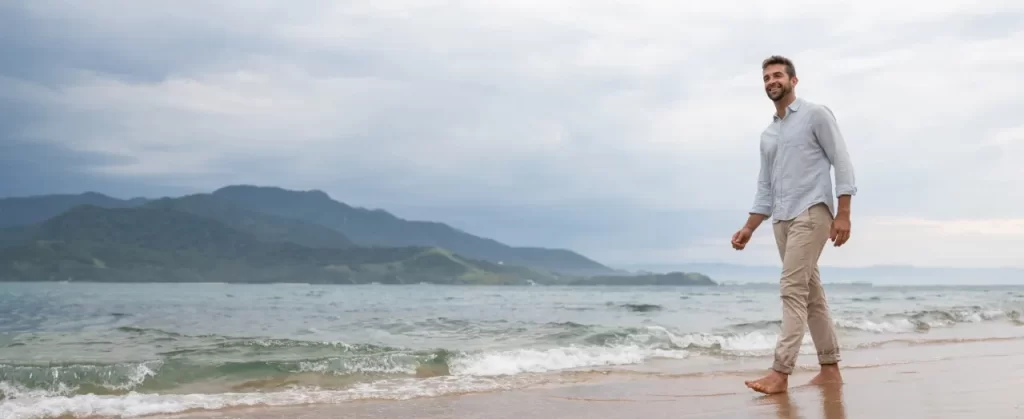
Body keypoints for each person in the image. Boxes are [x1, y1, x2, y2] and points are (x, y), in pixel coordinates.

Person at [730, 55, 857, 394]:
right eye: (767, 77)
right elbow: (765, 187)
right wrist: (749, 227)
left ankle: (779, 372)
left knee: (791, 289)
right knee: (811, 294)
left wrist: (843, 212)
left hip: (813, 212)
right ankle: (830, 370)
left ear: (793, 81)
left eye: (777, 75)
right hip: (781, 221)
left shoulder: (816, 114)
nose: (771, 81)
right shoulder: (768, 135)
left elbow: (841, 161)